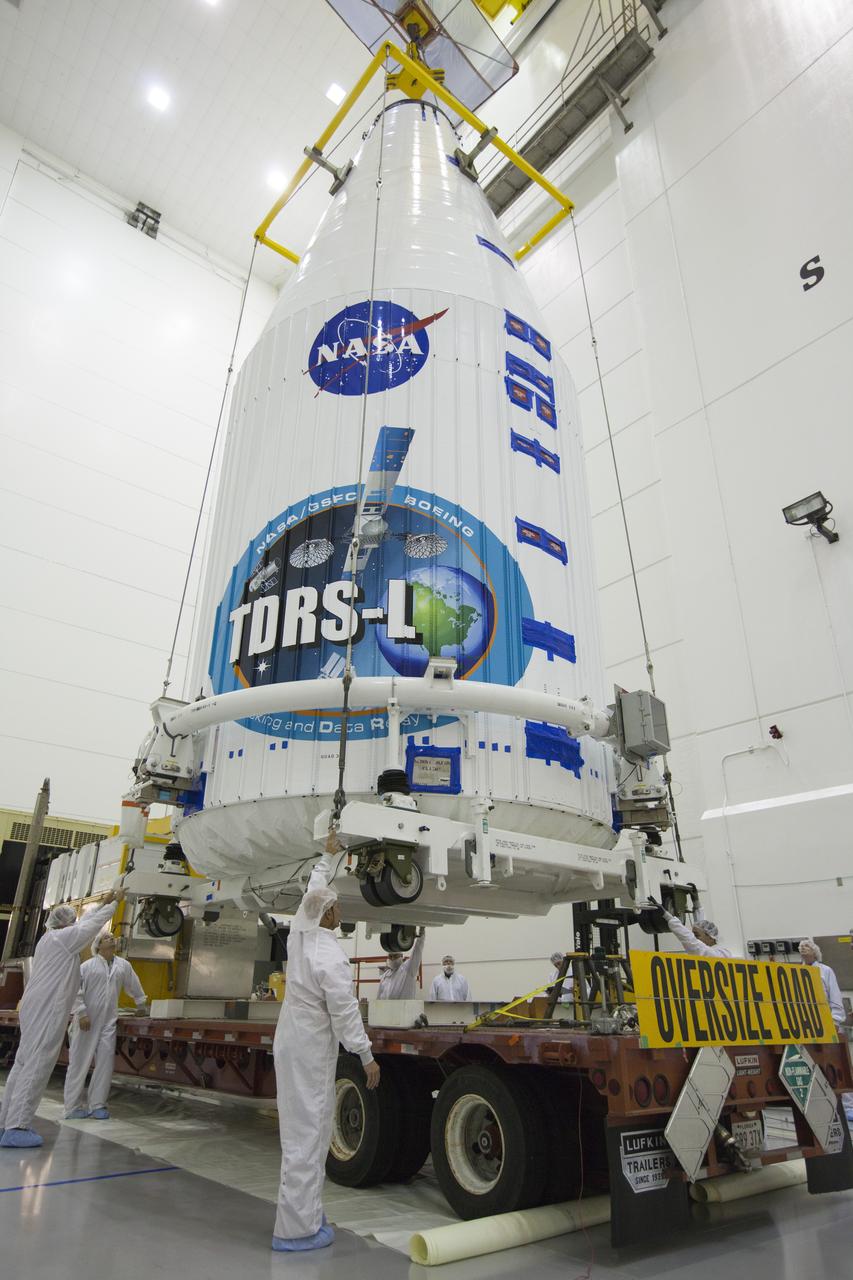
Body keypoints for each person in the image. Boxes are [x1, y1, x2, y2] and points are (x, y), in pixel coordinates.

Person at [273, 853, 379, 1253]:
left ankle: (306, 1213)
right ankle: (296, 1230)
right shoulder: (328, 955)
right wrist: (366, 1055)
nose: (340, 911)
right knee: (309, 1136)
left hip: (291, 1042)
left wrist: (329, 853)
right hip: (310, 1050)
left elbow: (311, 894)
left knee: (300, 1132)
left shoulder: (301, 934)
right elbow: (345, 1011)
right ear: (329, 913)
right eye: (337, 906)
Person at [0, 890, 123, 1148]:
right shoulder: (64, 939)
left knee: (23, 1063)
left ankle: (5, 1122)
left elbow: (85, 922)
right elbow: (90, 926)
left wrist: (104, 901)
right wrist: (114, 904)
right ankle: (17, 1126)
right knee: (37, 1064)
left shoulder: (52, 938)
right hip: (47, 1009)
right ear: (66, 923)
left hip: (36, 1006)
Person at [64, 931, 148, 1120]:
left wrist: (141, 1004)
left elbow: (133, 984)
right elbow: (75, 990)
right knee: (79, 1063)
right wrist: (82, 1012)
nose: (111, 939)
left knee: (105, 1064)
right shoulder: (87, 966)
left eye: (112, 937)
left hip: (108, 1023)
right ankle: (72, 1106)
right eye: (106, 938)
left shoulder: (123, 965)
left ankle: (97, 1105)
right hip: (86, 1022)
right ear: (98, 945)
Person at [657, 900, 733, 958]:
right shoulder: (711, 949)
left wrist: (667, 916)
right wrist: (696, 903)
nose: (694, 938)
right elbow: (701, 926)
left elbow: (693, 943)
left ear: (710, 937)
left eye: (696, 935)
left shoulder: (721, 954)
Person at [798, 938, 845, 1027]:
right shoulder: (797, 971)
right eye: (801, 946)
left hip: (825, 1018)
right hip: (804, 1020)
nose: (803, 948)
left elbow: (835, 996)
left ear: (815, 952)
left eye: (807, 946)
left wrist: (836, 1019)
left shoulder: (826, 970)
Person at [377, 927, 426, 999]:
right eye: (390, 956)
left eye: (395, 956)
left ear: (401, 956)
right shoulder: (385, 976)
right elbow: (379, 998)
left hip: (405, 1009)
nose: (393, 959)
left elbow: (417, 951)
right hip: (387, 1009)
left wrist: (421, 934)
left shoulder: (408, 970)